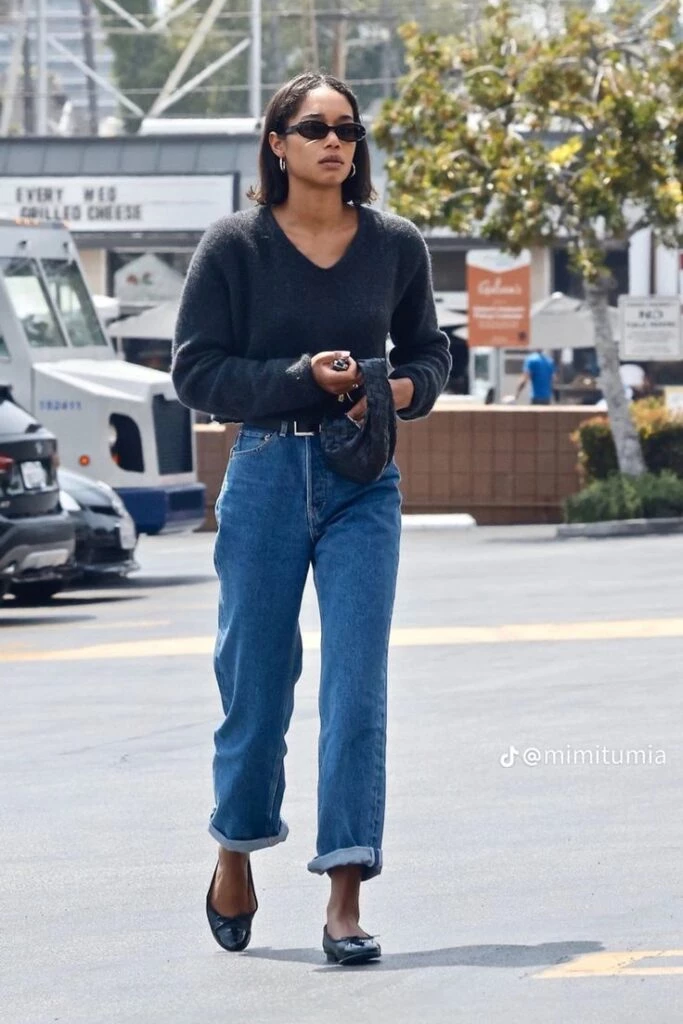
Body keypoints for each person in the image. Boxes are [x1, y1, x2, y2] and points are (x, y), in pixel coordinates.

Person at [171, 71, 451, 966]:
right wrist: (301, 377)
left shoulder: (394, 244)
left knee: (356, 688)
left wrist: (393, 390)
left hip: (362, 479)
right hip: (263, 472)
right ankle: (235, 846)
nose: (335, 141)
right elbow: (196, 373)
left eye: (348, 129)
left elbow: (431, 354)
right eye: (315, 127)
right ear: (276, 142)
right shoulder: (235, 246)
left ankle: (344, 897)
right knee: (255, 686)